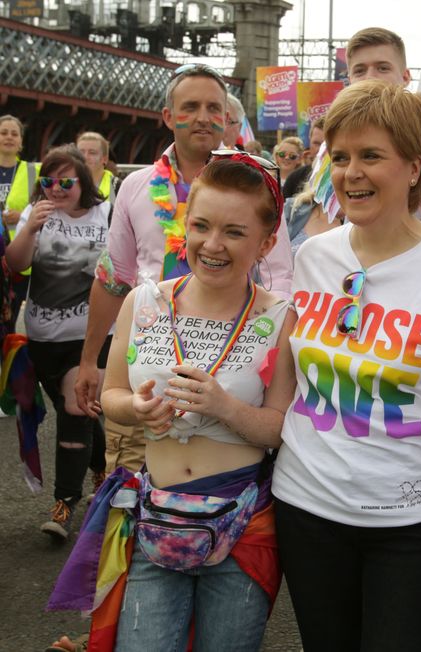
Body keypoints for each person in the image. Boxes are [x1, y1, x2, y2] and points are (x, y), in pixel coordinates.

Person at [272, 79, 421, 650]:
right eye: (341, 157)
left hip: (413, 527)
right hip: (307, 510)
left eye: (372, 155)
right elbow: (287, 382)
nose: (352, 172)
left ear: (415, 167)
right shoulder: (314, 257)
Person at [49, 151, 296, 649]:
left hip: (242, 524)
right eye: (201, 225)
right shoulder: (145, 302)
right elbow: (113, 394)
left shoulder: (281, 317)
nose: (212, 244)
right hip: (155, 518)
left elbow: (280, 428)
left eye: (234, 231)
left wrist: (225, 407)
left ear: (267, 242)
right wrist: (134, 410)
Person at [72, 63, 293, 476]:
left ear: (227, 119)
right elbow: (113, 277)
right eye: (190, 107)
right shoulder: (136, 186)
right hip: (148, 365)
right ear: (169, 117)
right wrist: (89, 360)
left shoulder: (257, 187)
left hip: (234, 363)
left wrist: (269, 343)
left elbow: (280, 276)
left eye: (214, 107)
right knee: (133, 496)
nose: (204, 117)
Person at [4, 146, 111, 540]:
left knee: (75, 406)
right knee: (83, 410)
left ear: (85, 183)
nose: (57, 189)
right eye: (48, 181)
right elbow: (16, 265)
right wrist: (30, 228)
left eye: (66, 181)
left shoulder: (107, 215)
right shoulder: (37, 215)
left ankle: (64, 504)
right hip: (42, 335)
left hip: (92, 335)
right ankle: (101, 467)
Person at [343, 26, 421, 245]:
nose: (371, 77)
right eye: (360, 70)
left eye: (383, 68)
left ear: (405, 77)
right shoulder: (336, 150)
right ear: (349, 79)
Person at [0, 114, 39, 333]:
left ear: (21, 141)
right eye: (3, 132)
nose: (9, 137)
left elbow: (45, 200)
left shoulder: (34, 170)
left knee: (12, 317)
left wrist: (23, 213)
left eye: (14, 133)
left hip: (21, 260)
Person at [75, 132, 121, 204]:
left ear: (105, 159)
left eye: (92, 153)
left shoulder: (117, 187)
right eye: (81, 152)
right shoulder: (67, 184)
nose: (85, 157)